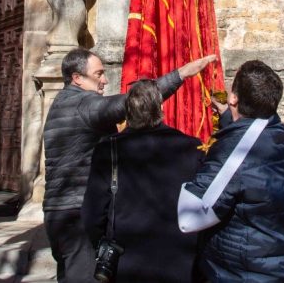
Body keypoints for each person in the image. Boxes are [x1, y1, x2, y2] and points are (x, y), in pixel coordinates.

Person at [43, 48, 216, 282]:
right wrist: (181, 74)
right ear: (77, 78)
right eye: (99, 74)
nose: (105, 80)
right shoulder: (83, 104)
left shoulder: (62, 103)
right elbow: (134, 102)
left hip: (58, 212)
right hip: (77, 213)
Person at [178, 59, 284, 282]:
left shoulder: (236, 150)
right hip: (283, 267)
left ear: (233, 98)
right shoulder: (283, 135)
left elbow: (189, 217)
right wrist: (229, 117)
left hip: (242, 272)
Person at [80, 79, 203, 282]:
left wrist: (102, 245)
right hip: (179, 258)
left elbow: (92, 215)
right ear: (161, 108)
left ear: (127, 112)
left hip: (126, 260)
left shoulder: (109, 149)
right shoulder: (191, 147)